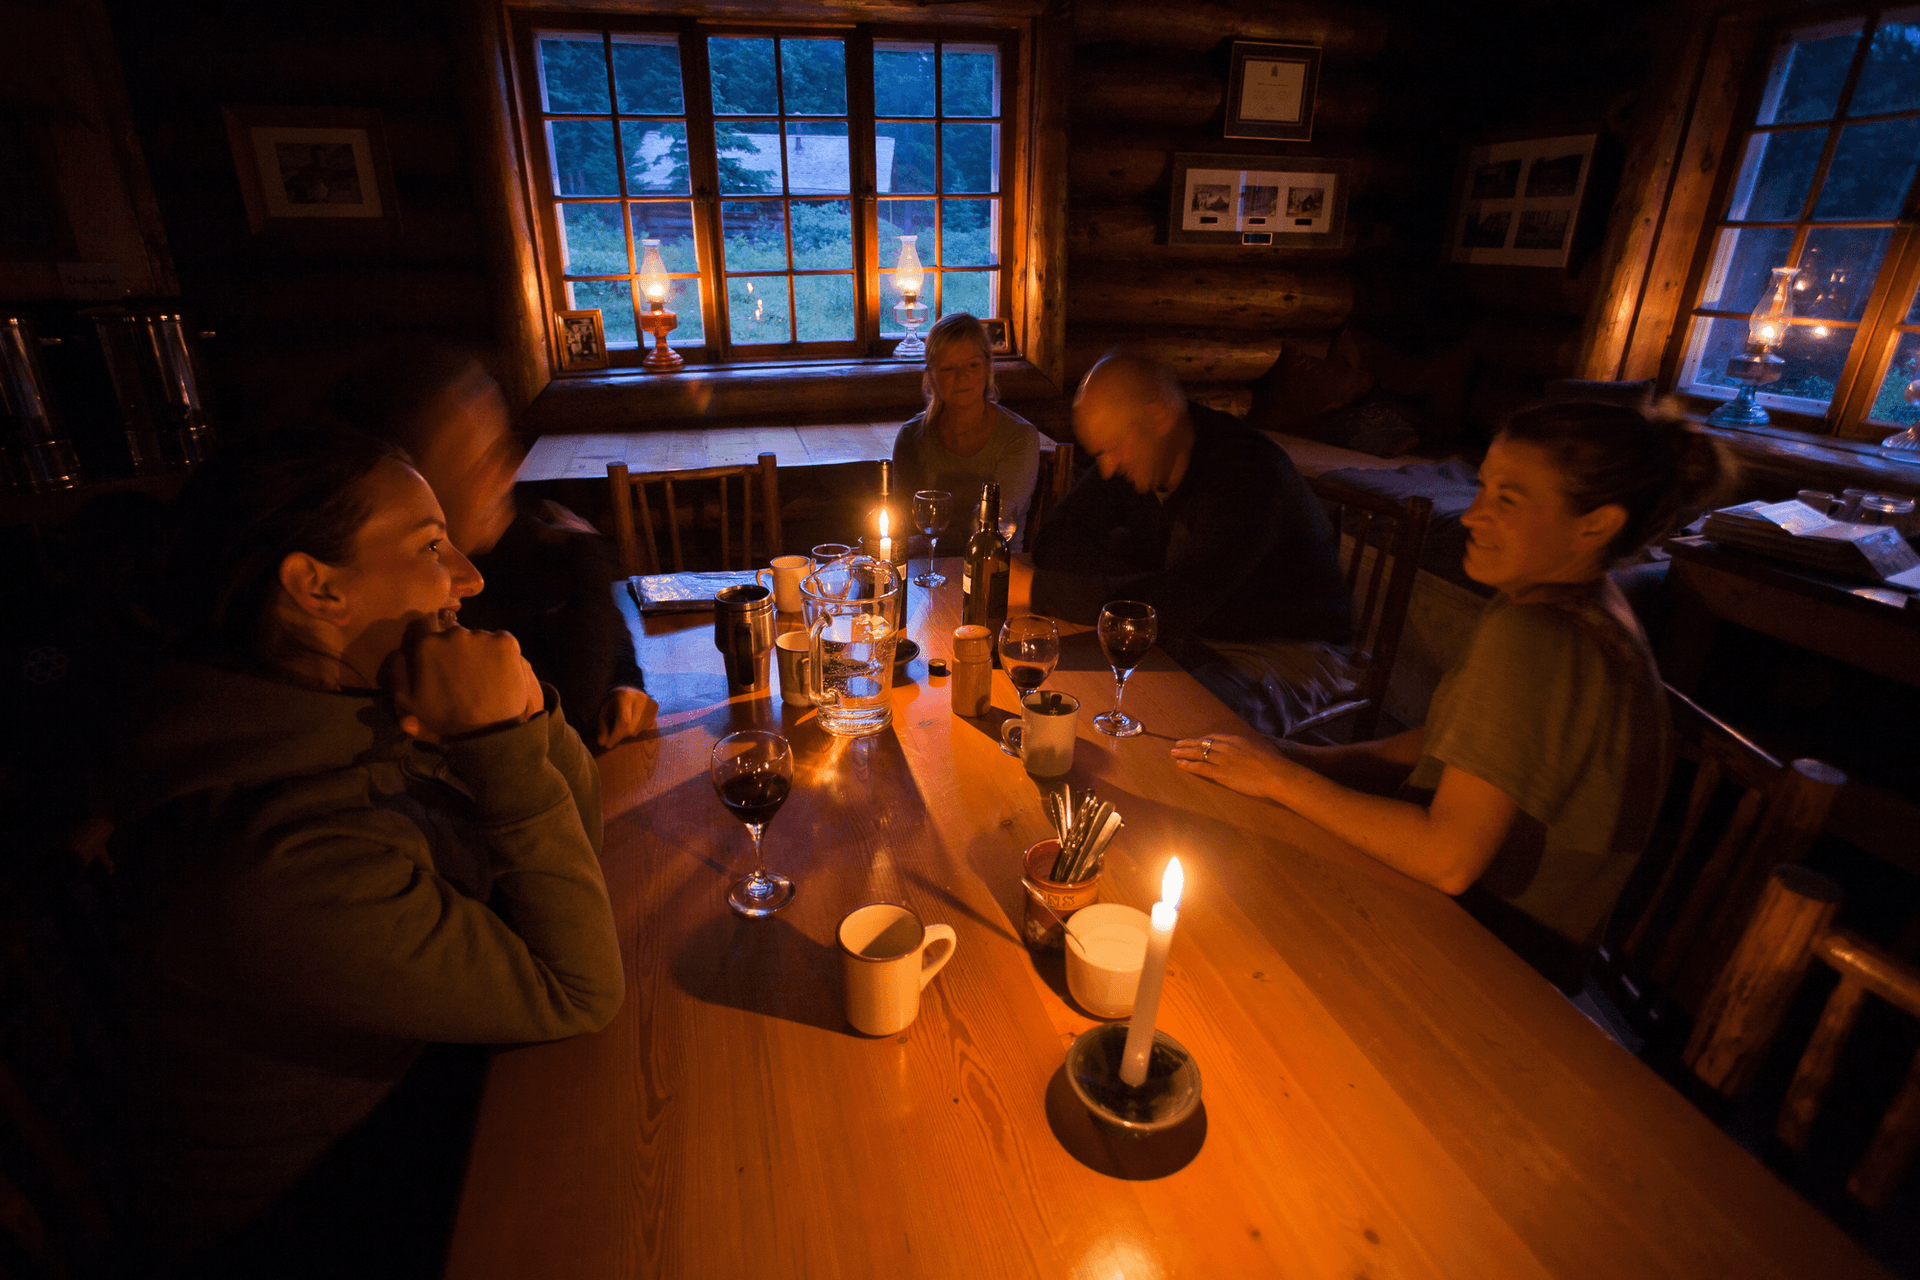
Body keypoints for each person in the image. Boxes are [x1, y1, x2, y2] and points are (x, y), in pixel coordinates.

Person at [108, 426, 625, 1274]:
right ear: (316, 587)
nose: (470, 575)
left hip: (425, 1086)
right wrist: (500, 739)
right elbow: (576, 992)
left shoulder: (333, 704)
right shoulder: (271, 855)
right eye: (430, 546)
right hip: (327, 1212)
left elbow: (576, 859)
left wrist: (525, 715)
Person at [1172, 400, 1731, 991]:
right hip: (1527, 947)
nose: (1471, 516)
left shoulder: (1536, 633)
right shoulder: (1590, 603)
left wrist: (1280, 781)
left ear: (1597, 524)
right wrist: (1299, 757)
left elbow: (1448, 859)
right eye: (1482, 487)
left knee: (1217, 927)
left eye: (1507, 501)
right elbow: (1454, 744)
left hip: (1489, 962)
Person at [319, 349, 655, 749]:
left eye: (503, 445)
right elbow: (565, 720)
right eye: (480, 461)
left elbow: (589, 626)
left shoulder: (515, 537)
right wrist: (591, 565)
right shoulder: (419, 618)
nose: (510, 468)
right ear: (410, 479)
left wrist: (624, 681)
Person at [1015, 351, 1352, 734]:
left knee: (1176, 732)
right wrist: (1143, 588)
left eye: (1111, 449)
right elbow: (1055, 538)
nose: (1105, 469)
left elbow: (1184, 600)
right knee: (1073, 692)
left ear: (1158, 417)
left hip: (1283, 652)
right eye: (1098, 454)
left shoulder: (1247, 474)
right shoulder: (1142, 450)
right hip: (1190, 634)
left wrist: (1038, 591)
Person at [891, 312, 1041, 551]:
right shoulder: (911, 437)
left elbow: (995, 525)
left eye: (972, 365)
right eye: (949, 368)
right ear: (931, 375)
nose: (962, 377)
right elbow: (902, 523)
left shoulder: (1018, 437)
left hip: (994, 568)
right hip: (926, 572)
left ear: (988, 368)